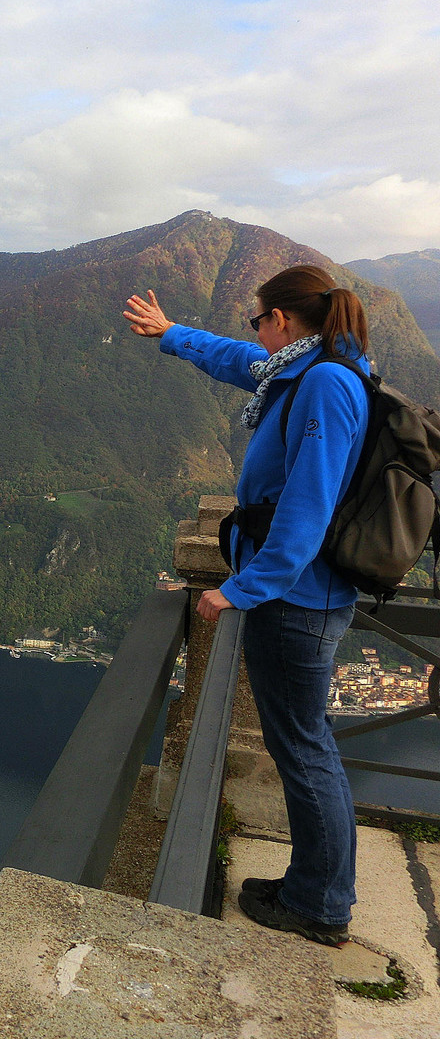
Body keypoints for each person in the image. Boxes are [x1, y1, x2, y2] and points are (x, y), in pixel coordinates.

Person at [124, 265, 371, 946]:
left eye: (257, 320)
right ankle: (314, 886)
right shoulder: (305, 368)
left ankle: (320, 905)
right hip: (300, 594)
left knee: (304, 747)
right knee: (305, 744)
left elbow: (307, 509)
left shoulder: (322, 384)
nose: (253, 334)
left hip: (298, 599)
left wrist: (240, 589)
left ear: (284, 321)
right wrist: (174, 334)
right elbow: (240, 362)